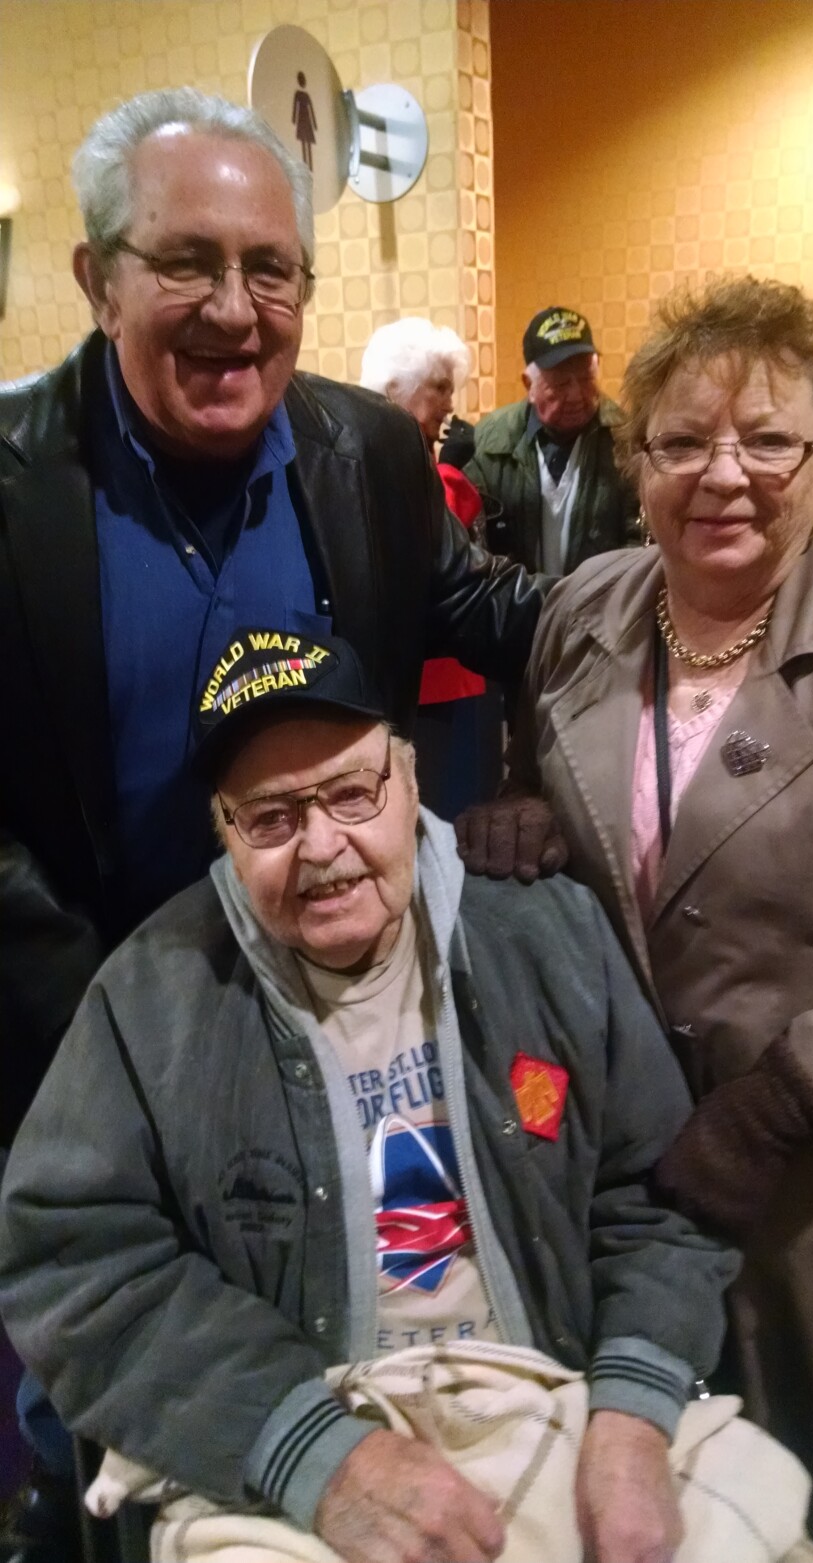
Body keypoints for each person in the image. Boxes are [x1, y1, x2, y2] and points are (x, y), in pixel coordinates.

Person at [0, 630, 741, 1563]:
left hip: (565, 1396)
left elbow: (656, 1199)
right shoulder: (150, 998)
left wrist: (633, 1409)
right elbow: (70, 1259)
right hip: (283, 1449)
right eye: (269, 816)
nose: (322, 847)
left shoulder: (548, 935)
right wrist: (313, 1449)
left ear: (410, 775)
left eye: (352, 792)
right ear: (222, 831)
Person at [0, 87, 546, 1148]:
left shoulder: (373, 453)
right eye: (185, 262)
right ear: (98, 282)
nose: (235, 309)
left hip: (340, 1029)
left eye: (268, 268)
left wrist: (698, 586)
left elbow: (490, 613)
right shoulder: (12, 480)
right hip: (77, 1047)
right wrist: (111, 1022)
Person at [465, 275, 813, 1560]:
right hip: (624, 1194)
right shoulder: (583, 613)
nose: (724, 475)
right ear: (633, 458)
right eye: (684, 440)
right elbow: (556, 790)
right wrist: (521, 817)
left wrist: (790, 1100)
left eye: (768, 439)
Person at [360, 316, 502, 818]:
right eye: (439, 388)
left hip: (440, 677)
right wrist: (450, 475)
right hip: (436, 682)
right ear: (395, 389)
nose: (449, 403)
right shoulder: (411, 470)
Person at [464, 306, 640, 573]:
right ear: (529, 386)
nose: (576, 395)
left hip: (598, 605)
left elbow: (640, 538)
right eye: (560, 384)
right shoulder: (491, 440)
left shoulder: (625, 437)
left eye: (586, 379)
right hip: (518, 606)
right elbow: (475, 543)